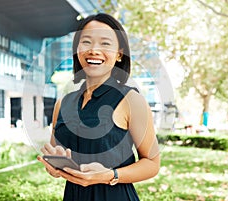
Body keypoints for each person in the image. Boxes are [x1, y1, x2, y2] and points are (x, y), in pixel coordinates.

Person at [37, 13, 160, 201]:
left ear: (119, 53)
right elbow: (58, 161)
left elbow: (152, 163)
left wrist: (109, 175)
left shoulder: (131, 100)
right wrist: (55, 167)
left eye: (105, 43)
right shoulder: (63, 103)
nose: (94, 50)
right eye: (86, 42)